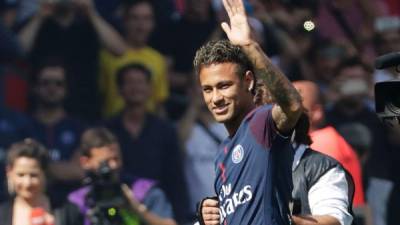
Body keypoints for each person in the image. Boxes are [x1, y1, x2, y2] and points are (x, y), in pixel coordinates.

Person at [193, 0, 303, 224]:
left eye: (224, 86)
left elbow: (292, 105)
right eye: (208, 89)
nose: (216, 98)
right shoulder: (223, 152)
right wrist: (210, 215)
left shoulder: (261, 123)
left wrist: (249, 46)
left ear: (248, 81)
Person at [105, 63, 189, 223]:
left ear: (150, 89)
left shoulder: (165, 130)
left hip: (158, 208)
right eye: (129, 82)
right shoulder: (108, 129)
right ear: (119, 89)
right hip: (117, 206)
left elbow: (175, 177)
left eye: (140, 82)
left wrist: (181, 218)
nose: (135, 88)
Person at [68, 127, 177, 225]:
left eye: (116, 159)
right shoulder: (79, 202)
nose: (113, 165)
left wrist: (136, 208)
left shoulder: (144, 192)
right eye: (105, 162)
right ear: (85, 162)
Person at [24, 59, 86, 205]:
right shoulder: (22, 126)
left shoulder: (80, 128)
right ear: (34, 87)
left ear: (66, 89)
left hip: (70, 207)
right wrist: (61, 169)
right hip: (30, 205)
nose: (52, 88)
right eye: (45, 83)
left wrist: (38, 169)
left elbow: (80, 171)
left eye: (58, 83)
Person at [99, 0, 169, 118]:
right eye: (134, 18)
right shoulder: (107, 55)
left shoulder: (158, 60)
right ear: (125, 21)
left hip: (147, 131)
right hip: (113, 128)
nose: (141, 25)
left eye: (147, 19)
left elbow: (159, 103)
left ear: (153, 23)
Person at [0, 138, 83, 225]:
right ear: (9, 173)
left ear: (44, 174)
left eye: (33, 175)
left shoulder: (67, 212)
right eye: (21, 175)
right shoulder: (2, 214)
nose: (27, 183)